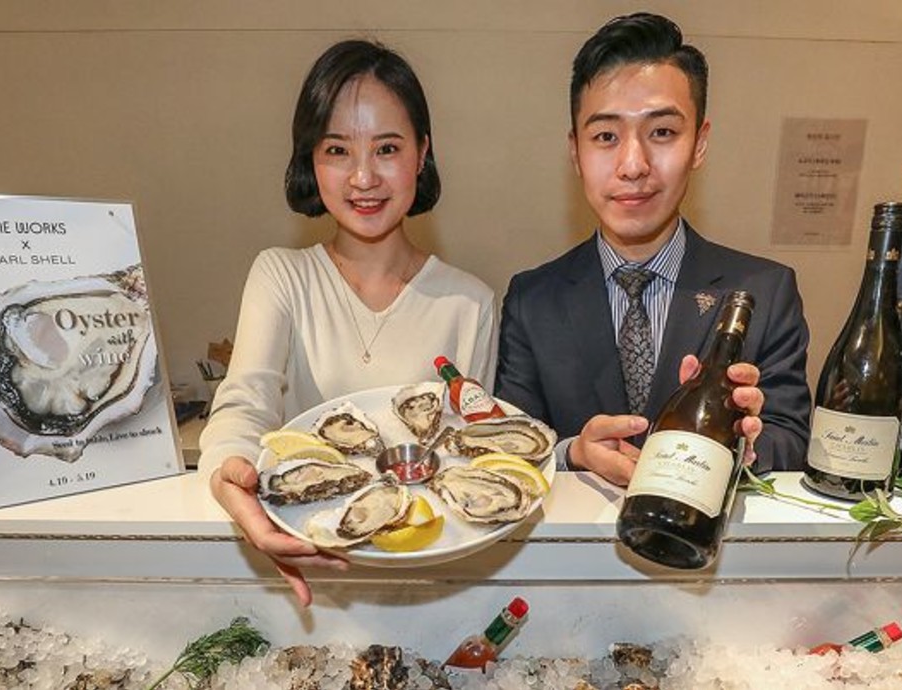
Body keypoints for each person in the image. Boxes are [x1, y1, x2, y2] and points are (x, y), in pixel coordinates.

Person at [199, 40, 497, 605]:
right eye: (337, 149)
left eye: (387, 148)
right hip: (304, 574)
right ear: (311, 159)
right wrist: (227, 473)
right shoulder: (281, 275)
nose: (363, 177)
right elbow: (244, 404)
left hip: (427, 581)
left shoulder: (470, 303)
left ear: (421, 153)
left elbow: (465, 455)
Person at [495, 12, 811, 486]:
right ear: (576, 152)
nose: (633, 165)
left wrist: (743, 443)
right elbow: (510, 445)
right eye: (606, 136)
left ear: (699, 144)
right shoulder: (532, 299)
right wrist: (573, 453)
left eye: (662, 132)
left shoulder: (765, 290)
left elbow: (791, 440)